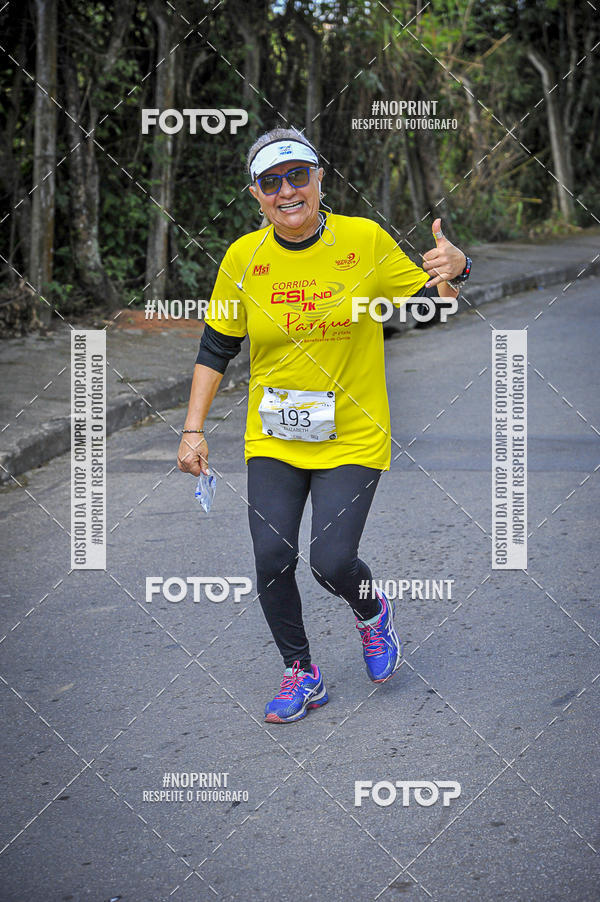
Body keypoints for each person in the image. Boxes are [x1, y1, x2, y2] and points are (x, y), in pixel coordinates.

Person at [177, 127, 471, 724]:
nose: (287, 191)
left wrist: (457, 269)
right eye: (271, 182)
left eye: (297, 177)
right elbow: (216, 348)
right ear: (256, 194)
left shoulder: (360, 240)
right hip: (275, 436)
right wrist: (192, 428)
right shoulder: (243, 257)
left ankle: (372, 614)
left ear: (318, 180)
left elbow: (431, 306)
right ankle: (301, 672)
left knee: (331, 562)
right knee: (270, 557)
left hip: (353, 435)